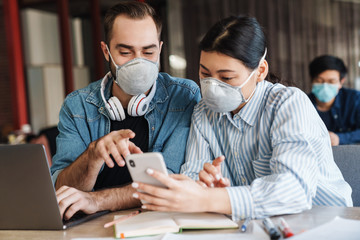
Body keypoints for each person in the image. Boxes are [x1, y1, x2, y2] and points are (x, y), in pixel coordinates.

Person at [131, 16, 353, 220]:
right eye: (205, 74)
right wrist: (203, 186)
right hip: (255, 224)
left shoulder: (288, 103)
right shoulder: (204, 112)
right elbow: (193, 176)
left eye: (226, 77)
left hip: (326, 220)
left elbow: (293, 191)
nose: (213, 86)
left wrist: (212, 199)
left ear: (260, 71)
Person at [51, 1, 200, 220]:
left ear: (159, 50)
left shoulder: (183, 96)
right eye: (125, 52)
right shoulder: (77, 106)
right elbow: (62, 191)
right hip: (89, 226)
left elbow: (167, 181)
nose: (138, 62)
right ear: (106, 51)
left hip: (155, 221)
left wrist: (96, 200)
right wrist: (92, 156)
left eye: (148, 52)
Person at [308, 55, 360, 146]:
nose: (325, 86)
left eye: (331, 81)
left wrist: (340, 138)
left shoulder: (354, 99)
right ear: (312, 81)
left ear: (341, 82)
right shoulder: (303, 103)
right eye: (319, 81)